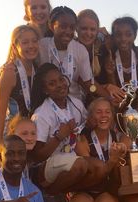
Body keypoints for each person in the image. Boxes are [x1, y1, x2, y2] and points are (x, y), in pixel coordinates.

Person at [30, 63, 93, 194]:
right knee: (80, 165)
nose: (60, 85)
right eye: (52, 83)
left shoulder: (76, 103)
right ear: (45, 90)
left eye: (61, 79)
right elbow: (36, 156)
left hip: (73, 156)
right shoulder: (41, 114)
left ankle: (69, 194)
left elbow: (85, 127)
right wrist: (59, 137)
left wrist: (91, 123)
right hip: (48, 164)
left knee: (101, 169)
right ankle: (50, 195)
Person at [39, 6, 108, 103]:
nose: (68, 31)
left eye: (71, 27)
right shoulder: (41, 46)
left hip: (74, 103)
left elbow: (88, 82)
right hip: (47, 102)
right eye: (63, 26)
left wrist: (109, 98)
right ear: (51, 26)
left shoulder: (80, 50)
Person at [0, 25, 41, 148]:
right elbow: (1, 110)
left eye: (34, 41)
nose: (31, 46)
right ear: (15, 47)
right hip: (13, 134)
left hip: (33, 132)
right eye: (25, 42)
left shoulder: (38, 70)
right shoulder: (10, 72)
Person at [106, 16, 138, 95]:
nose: (123, 39)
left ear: (135, 36)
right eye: (118, 35)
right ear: (113, 37)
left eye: (128, 34)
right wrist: (110, 74)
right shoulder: (109, 57)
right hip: (119, 101)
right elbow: (113, 88)